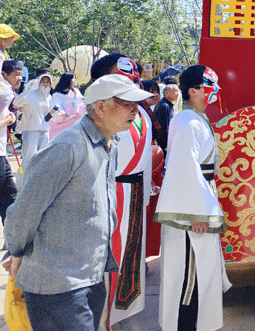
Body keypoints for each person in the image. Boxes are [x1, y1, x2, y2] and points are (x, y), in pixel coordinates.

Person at [3, 74, 152, 331]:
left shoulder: (108, 143)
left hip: (89, 276)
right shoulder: (69, 146)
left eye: (136, 104)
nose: (135, 111)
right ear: (101, 107)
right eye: (127, 104)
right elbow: (25, 209)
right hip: (58, 284)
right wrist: (16, 252)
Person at [154, 65, 231, 331]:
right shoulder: (189, 122)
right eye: (210, 85)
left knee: (199, 272)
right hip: (192, 209)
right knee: (190, 275)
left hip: (201, 196)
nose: (215, 91)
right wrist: (195, 213)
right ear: (194, 90)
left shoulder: (194, 119)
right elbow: (186, 169)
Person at [90, 53, 152, 328]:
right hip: (111, 192)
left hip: (134, 194)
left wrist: (145, 196)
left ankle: (121, 312)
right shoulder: (95, 114)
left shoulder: (140, 113)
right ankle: (103, 318)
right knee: (108, 258)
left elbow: (145, 158)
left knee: (130, 255)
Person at [13, 72, 55, 171]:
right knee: (29, 156)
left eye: (47, 82)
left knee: (42, 157)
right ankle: (24, 177)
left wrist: (53, 113)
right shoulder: (31, 94)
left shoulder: (49, 98)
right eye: (43, 82)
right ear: (39, 82)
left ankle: (37, 177)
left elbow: (48, 115)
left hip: (45, 130)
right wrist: (27, 90)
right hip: (31, 129)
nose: (45, 84)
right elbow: (16, 103)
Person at [0, 59, 22, 224]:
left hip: (2, 151)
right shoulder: (3, 91)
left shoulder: (7, 90)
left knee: (10, 192)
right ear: (4, 74)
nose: (19, 78)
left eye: (21, 75)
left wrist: (10, 117)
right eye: (16, 75)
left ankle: (11, 233)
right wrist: (6, 121)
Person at [49, 72, 87, 139]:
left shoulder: (76, 91)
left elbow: (81, 102)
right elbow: (56, 107)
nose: (75, 80)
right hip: (64, 119)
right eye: (73, 78)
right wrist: (64, 115)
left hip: (75, 119)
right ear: (68, 79)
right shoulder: (58, 93)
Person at [155, 80, 180, 154]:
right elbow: (164, 127)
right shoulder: (165, 106)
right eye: (175, 91)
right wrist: (168, 144)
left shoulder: (167, 104)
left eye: (178, 91)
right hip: (163, 144)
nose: (178, 94)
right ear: (166, 93)